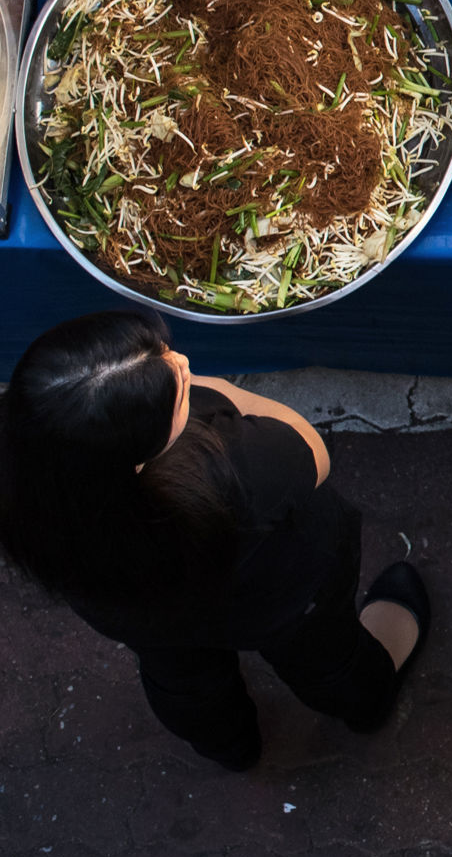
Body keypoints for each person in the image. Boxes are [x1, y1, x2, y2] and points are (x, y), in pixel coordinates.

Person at [0, 311, 427, 771]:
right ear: (135, 461)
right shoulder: (232, 463)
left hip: (135, 615)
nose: (182, 362)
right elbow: (313, 452)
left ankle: (230, 747)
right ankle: (365, 704)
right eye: (175, 386)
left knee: (181, 677)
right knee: (324, 656)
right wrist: (217, 389)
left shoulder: (28, 478)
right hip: (277, 599)